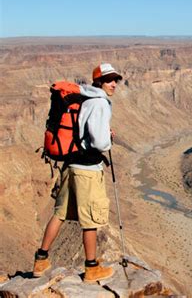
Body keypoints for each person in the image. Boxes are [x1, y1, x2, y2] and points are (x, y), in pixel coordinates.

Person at [33, 63, 122, 283]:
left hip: (70, 164)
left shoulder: (83, 96)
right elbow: (99, 142)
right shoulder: (100, 103)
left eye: (116, 80)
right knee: (90, 219)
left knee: (60, 212)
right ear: (99, 81)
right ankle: (91, 268)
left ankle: (40, 259)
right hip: (87, 170)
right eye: (109, 80)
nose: (114, 84)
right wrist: (108, 139)